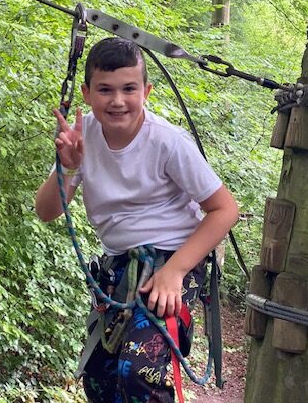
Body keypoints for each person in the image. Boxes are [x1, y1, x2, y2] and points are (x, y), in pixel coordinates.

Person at [35, 37, 239, 403]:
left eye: (129, 89)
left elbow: (224, 209)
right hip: (119, 265)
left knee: (138, 373)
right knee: (99, 379)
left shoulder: (167, 142)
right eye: (105, 90)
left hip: (175, 258)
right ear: (87, 94)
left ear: (146, 91)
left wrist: (175, 272)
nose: (117, 100)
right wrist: (68, 167)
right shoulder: (83, 137)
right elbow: (47, 211)